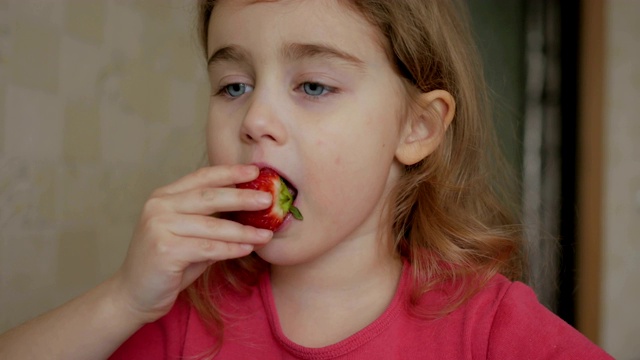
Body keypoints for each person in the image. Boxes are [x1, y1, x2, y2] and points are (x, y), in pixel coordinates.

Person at [0, 0, 613, 359]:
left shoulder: (488, 328)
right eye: (234, 86)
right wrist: (124, 298)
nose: (256, 120)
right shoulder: (186, 316)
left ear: (417, 127)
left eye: (314, 85)